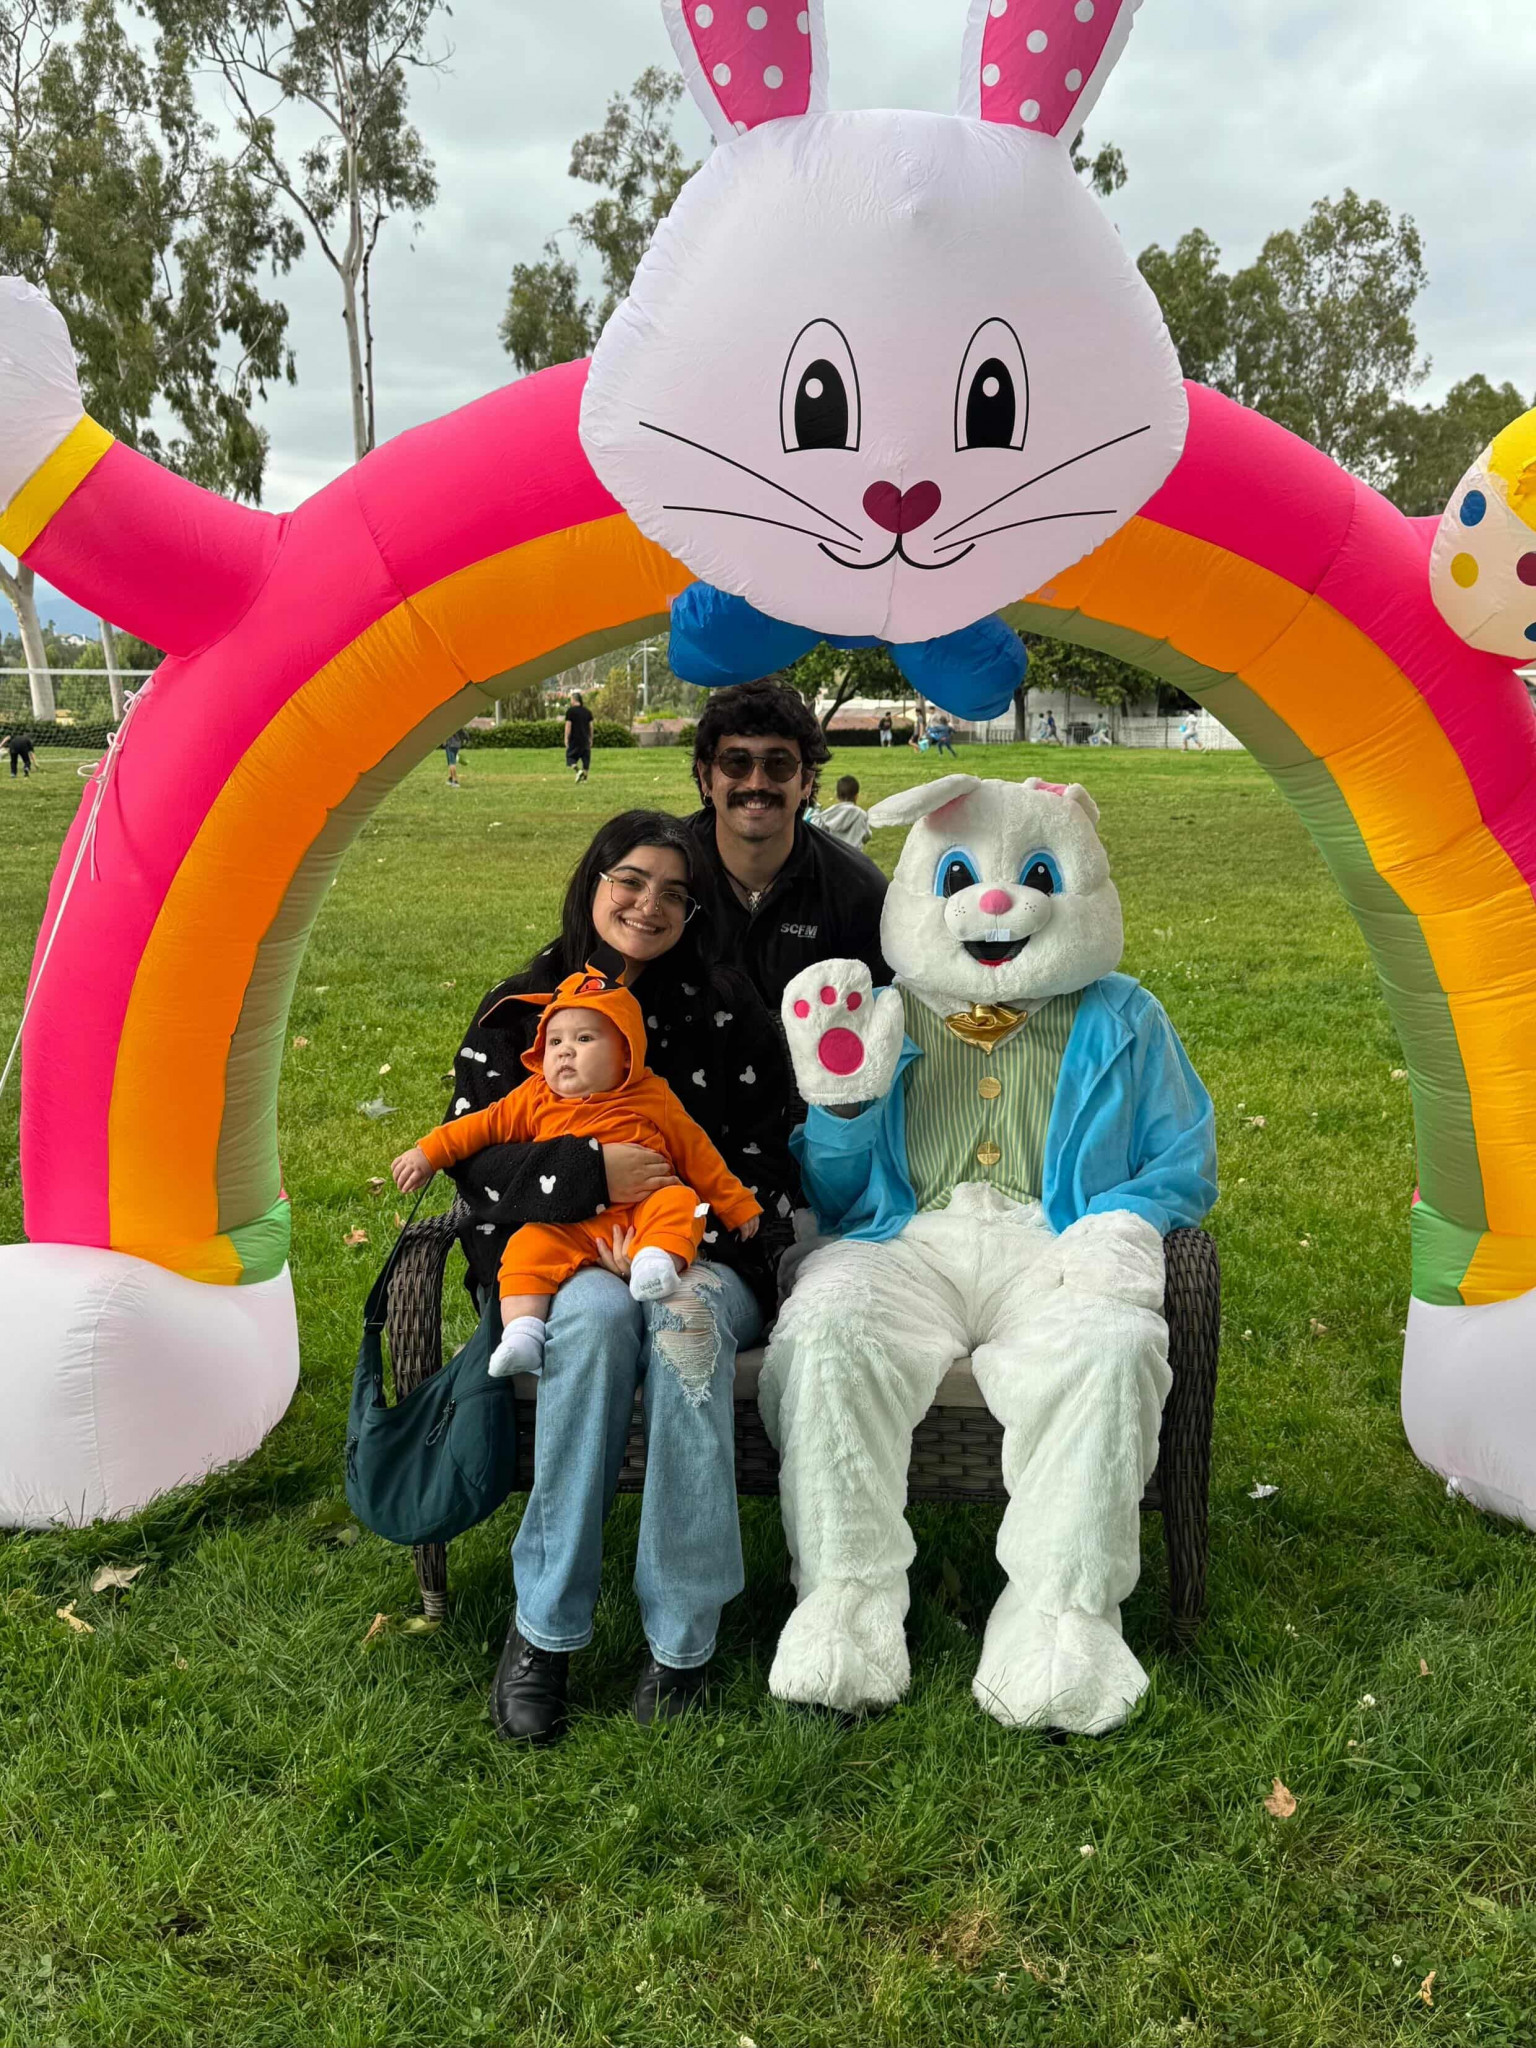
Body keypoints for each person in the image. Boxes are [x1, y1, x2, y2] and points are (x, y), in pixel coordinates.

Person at [441, 811, 800, 1742]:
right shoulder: (520, 1009)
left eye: (676, 893)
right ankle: (544, 1630)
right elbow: (472, 1162)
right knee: (593, 1323)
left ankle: (682, 1639)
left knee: (682, 1325)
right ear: (593, 880)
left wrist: (681, 1226)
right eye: (631, 881)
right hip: (554, 1257)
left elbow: (769, 1156)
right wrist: (589, 1177)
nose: (650, 905)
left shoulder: (726, 1008)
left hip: (698, 1253)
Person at [393, 970, 761, 1375]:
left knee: (681, 1202)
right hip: (569, 1220)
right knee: (526, 1249)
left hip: (643, 1212)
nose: (565, 1051)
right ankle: (522, 1333)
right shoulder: (535, 1096)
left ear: (626, 1052)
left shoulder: (651, 1094)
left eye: (584, 1039)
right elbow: (480, 1126)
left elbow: (698, 1154)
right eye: (555, 1042)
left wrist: (736, 1204)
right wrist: (427, 1153)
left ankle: (655, 1263)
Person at [685, 678, 888, 1006]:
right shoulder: (660, 871)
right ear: (707, 777)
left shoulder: (858, 892)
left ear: (806, 781)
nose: (756, 783)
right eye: (736, 762)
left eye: (779, 764)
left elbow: (882, 1019)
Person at [808, 773, 872, 852]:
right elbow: (867, 836)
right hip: (854, 856)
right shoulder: (861, 814)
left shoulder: (829, 814)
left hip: (834, 855)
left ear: (837, 795)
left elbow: (816, 828)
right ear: (856, 796)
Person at [564, 691, 594, 782]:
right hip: (585, 739)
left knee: (570, 757)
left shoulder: (570, 711)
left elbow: (568, 726)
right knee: (586, 759)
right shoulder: (587, 712)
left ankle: (578, 770)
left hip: (574, 739)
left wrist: (566, 738)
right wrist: (591, 738)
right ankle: (585, 779)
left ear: (574, 700)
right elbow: (591, 727)